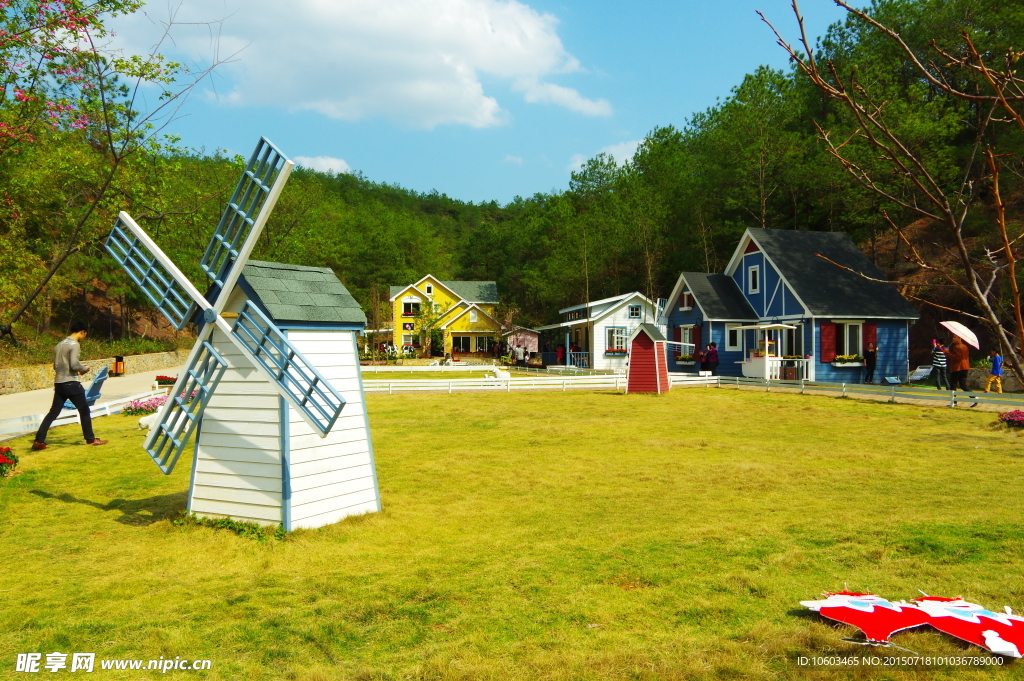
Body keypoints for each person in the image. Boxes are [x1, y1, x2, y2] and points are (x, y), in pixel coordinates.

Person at [32, 322, 108, 449]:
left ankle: (39, 441)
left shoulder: (59, 345)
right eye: (85, 335)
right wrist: (83, 368)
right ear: (82, 332)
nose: (84, 338)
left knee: (53, 413)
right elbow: (74, 364)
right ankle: (90, 439)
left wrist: (74, 369)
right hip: (72, 383)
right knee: (84, 410)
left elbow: (56, 366)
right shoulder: (75, 345)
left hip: (59, 383)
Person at [944, 335, 976, 407]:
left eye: (954, 337)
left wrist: (947, 352)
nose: (953, 338)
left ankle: (954, 402)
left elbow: (957, 358)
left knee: (953, 384)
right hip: (965, 367)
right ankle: (974, 398)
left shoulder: (957, 347)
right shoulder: (965, 346)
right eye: (953, 337)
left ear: (959, 338)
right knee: (963, 384)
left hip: (957, 368)